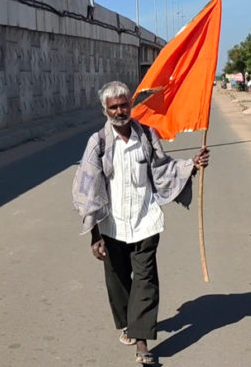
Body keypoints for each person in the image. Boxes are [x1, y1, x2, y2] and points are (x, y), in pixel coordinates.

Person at [71, 81, 209, 365]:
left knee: (146, 281)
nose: (120, 111)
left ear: (130, 106)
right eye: (114, 107)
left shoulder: (147, 135)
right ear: (105, 110)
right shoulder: (97, 142)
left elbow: (162, 168)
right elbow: (88, 190)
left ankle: (142, 344)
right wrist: (94, 235)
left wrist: (192, 165)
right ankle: (128, 324)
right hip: (112, 226)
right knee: (118, 281)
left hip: (146, 220)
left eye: (124, 105)